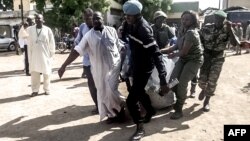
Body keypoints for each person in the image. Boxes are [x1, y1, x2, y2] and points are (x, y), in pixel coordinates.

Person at [58, 11, 125, 123]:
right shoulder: (88, 36)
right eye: (93, 19)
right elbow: (77, 51)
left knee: (111, 90)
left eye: (98, 18)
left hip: (114, 67)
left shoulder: (111, 30)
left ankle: (121, 109)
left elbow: (120, 46)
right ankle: (113, 114)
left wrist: (122, 63)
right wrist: (64, 65)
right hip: (98, 70)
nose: (95, 21)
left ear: (102, 19)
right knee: (103, 92)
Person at [122, 1, 169, 140]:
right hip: (135, 63)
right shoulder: (129, 23)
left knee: (131, 100)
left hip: (145, 67)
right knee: (138, 91)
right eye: (125, 15)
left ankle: (140, 128)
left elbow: (157, 54)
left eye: (129, 16)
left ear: (137, 15)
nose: (126, 18)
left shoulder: (144, 30)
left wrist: (163, 79)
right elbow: (126, 38)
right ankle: (150, 111)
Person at [161, 10, 203, 119]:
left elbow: (183, 52)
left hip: (194, 60)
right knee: (173, 81)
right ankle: (180, 98)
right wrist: (159, 51)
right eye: (183, 19)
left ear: (193, 21)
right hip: (184, 59)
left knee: (181, 83)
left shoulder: (191, 33)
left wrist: (172, 55)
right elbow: (175, 47)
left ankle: (179, 109)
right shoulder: (181, 30)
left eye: (187, 19)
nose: (184, 21)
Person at [198, 10, 240, 112]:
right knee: (202, 80)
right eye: (217, 18)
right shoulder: (207, 27)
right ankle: (203, 88)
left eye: (221, 19)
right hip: (206, 56)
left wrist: (230, 30)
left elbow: (235, 44)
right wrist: (202, 52)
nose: (218, 21)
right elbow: (199, 40)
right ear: (214, 18)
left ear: (224, 20)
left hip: (218, 57)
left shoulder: (228, 29)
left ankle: (207, 101)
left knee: (213, 80)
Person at [74, 8, 98, 114]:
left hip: (99, 62)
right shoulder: (82, 27)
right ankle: (98, 105)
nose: (88, 20)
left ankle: (106, 106)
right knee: (91, 84)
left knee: (102, 85)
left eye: (89, 17)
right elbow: (77, 41)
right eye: (85, 18)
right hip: (87, 62)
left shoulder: (99, 27)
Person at [27, 14, 56, 97]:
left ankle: (47, 89)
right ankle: (35, 90)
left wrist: (51, 53)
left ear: (43, 20)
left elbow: (52, 42)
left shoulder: (47, 30)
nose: (37, 20)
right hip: (34, 55)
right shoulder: (30, 29)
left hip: (45, 54)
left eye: (39, 18)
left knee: (46, 73)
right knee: (34, 73)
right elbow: (23, 36)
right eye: (36, 19)